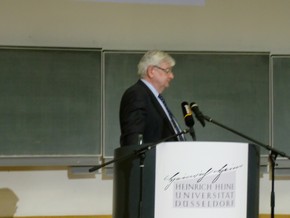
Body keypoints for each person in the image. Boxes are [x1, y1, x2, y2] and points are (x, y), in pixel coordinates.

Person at [119, 50, 186, 146]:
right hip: (151, 160)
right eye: (167, 71)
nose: (172, 76)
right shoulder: (137, 94)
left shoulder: (155, 97)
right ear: (151, 71)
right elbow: (133, 139)